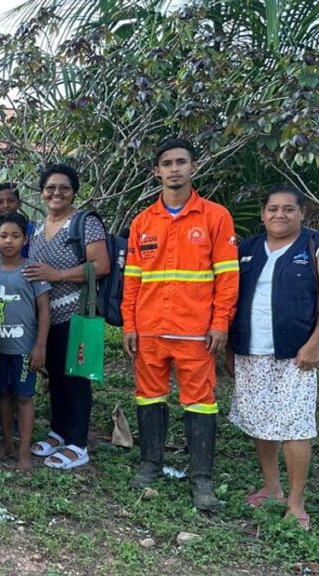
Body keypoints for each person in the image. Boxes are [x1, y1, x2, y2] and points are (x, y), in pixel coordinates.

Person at [122, 138, 238, 511]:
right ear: (157, 171)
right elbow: (133, 280)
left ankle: (201, 477)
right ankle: (151, 463)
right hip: (151, 329)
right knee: (148, 396)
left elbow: (228, 277)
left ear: (194, 167)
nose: (174, 169)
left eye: (181, 162)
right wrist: (129, 324)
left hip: (196, 331)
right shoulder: (143, 221)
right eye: (167, 163)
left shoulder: (215, 217)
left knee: (201, 403)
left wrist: (220, 322)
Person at [228, 185, 319, 529]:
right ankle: (271, 487)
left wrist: (314, 344)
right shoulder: (248, 248)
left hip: (296, 354)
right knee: (259, 420)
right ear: (263, 214)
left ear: (301, 213)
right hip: (252, 349)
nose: (280, 215)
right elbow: (234, 299)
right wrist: (233, 347)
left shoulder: (317, 245)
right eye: (273, 209)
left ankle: (296, 501)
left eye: (288, 209)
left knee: (295, 425)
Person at [24, 163, 109, 471]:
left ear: (74, 192)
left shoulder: (85, 223)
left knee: (76, 379)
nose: (56, 193)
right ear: (42, 191)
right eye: (50, 187)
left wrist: (57, 273)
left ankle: (78, 443)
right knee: (55, 376)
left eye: (64, 188)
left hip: (77, 313)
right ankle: (59, 433)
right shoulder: (36, 226)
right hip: (46, 316)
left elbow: (100, 265)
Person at [0, 213, 50, 470]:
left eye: (15, 236)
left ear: (25, 238)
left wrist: (40, 346)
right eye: (3, 236)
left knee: (23, 397)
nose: (9, 241)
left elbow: (44, 310)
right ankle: (6, 443)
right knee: (3, 393)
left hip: (24, 349)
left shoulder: (33, 270)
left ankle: (24, 451)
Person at [0, 182, 31, 438]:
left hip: (24, 334)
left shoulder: (30, 238)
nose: (5, 205)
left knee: (22, 390)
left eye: (10, 200)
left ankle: (18, 432)